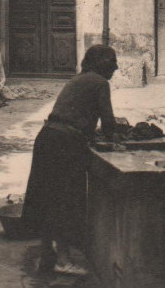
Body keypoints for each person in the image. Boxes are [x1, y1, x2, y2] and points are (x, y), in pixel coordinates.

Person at [21, 44, 119, 276]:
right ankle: (63, 261)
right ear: (104, 65)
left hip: (47, 137)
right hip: (65, 144)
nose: (115, 71)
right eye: (112, 66)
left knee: (48, 198)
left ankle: (47, 256)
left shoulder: (79, 79)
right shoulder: (100, 83)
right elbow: (108, 123)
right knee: (66, 200)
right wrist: (115, 138)